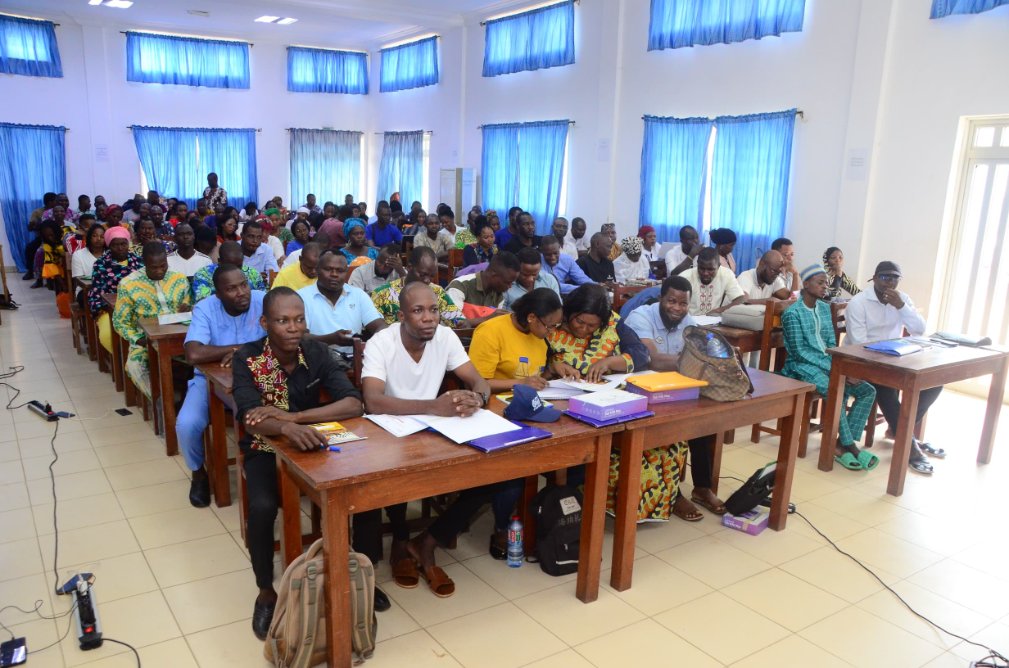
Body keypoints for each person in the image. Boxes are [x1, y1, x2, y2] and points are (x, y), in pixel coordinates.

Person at [232, 288, 372, 639]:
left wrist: (296, 418)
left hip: (312, 440)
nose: (293, 328)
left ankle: (353, 576)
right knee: (263, 507)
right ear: (265, 323)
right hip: (266, 446)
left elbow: (353, 404)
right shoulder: (247, 358)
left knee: (354, 491)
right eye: (282, 321)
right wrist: (283, 428)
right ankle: (265, 589)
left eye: (298, 320)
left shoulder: (316, 351)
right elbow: (250, 415)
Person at [359, 282, 492, 595]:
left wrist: (477, 398)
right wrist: (435, 406)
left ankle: (427, 541)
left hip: (433, 428)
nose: (429, 317)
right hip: (387, 429)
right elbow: (373, 401)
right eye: (418, 311)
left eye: (433, 310)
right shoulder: (382, 342)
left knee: (491, 473)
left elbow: (478, 380)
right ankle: (402, 538)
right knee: (396, 468)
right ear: (402, 315)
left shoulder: (445, 337)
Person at [623, 275, 726, 520]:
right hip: (640, 391)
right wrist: (694, 361)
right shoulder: (640, 317)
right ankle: (674, 493)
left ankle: (702, 487)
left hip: (674, 388)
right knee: (670, 432)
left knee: (704, 422)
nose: (677, 308)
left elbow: (703, 353)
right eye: (671, 301)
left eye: (683, 304)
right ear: (661, 298)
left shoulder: (688, 322)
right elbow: (652, 359)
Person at [176, 265, 265, 505]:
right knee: (187, 424)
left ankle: (264, 470)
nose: (242, 292)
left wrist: (243, 351)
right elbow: (193, 354)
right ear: (218, 294)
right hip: (208, 380)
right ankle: (198, 473)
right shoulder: (205, 308)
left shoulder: (263, 300)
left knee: (260, 410)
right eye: (232, 289)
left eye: (244, 284)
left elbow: (286, 335)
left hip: (260, 377)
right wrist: (236, 349)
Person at [844, 261, 942, 474]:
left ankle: (899, 430)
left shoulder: (902, 299)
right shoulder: (859, 302)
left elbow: (920, 330)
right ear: (875, 278)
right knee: (886, 389)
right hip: (862, 361)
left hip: (894, 358)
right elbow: (857, 343)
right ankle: (910, 445)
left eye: (895, 277)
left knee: (934, 384)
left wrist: (902, 307)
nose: (890, 282)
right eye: (885, 277)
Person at [781, 265, 878, 471]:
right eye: (820, 282)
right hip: (800, 367)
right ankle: (851, 446)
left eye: (826, 282)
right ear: (806, 285)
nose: (826, 286)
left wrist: (842, 367)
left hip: (827, 363)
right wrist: (836, 369)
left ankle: (841, 444)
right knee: (836, 389)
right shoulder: (792, 314)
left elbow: (831, 345)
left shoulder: (825, 309)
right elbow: (800, 352)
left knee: (868, 391)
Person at [112, 242, 192, 397]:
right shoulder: (128, 284)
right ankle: (160, 401)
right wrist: (139, 339)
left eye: (163, 266)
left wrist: (188, 307)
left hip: (180, 338)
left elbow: (190, 307)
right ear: (144, 263)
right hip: (146, 340)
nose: (159, 271)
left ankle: (192, 399)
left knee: (202, 358)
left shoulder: (179, 279)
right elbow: (120, 322)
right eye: (153, 267)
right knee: (134, 366)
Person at [548, 283, 649, 382]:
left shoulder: (612, 323)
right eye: (579, 321)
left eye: (592, 326)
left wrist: (609, 362)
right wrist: (553, 367)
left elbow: (641, 355)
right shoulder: (552, 324)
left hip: (607, 393)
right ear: (569, 312)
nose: (583, 329)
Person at [299, 251, 387, 355]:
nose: (334, 274)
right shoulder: (301, 297)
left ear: (346, 272)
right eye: (328, 269)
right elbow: (300, 337)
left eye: (340, 271)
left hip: (353, 360)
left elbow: (380, 327)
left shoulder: (358, 295)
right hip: (315, 361)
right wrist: (331, 339)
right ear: (317, 269)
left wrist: (371, 344)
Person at [371, 246, 465, 327]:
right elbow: (373, 326)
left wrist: (460, 322)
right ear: (409, 267)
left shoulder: (437, 292)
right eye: (422, 275)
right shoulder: (383, 293)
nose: (427, 281)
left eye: (431, 276)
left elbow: (456, 319)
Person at [88, 226, 143, 353]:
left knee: (144, 331)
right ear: (109, 246)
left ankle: (137, 358)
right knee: (107, 335)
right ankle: (120, 360)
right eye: (115, 245)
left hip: (137, 306)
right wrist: (111, 308)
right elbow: (96, 291)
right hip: (108, 308)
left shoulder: (139, 262)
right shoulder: (100, 264)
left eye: (123, 244)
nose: (120, 248)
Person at [193, 241, 267, 302]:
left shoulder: (253, 274)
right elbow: (203, 303)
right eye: (229, 266)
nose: (234, 270)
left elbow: (263, 300)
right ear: (220, 262)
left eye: (238, 266)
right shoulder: (203, 275)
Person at [680, 248, 746, 315]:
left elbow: (740, 299)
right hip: (689, 320)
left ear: (719, 266)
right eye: (702, 268)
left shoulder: (726, 274)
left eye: (710, 269)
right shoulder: (685, 277)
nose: (705, 273)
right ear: (697, 264)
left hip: (713, 321)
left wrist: (719, 310)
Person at [446, 251, 519, 309]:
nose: (510, 287)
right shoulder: (460, 285)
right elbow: (452, 321)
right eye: (507, 282)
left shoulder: (498, 294)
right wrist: (488, 318)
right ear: (493, 274)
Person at [25, 192, 57, 281]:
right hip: (43, 237)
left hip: (57, 237)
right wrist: (37, 226)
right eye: (56, 201)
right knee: (30, 248)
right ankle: (30, 271)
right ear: (50, 202)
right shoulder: (38, 212)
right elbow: (31, 228)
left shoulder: (60, 211)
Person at [71, 224, 105, 305]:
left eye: (102, 236)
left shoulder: (110, 253)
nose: (98, 239)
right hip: (86, 290)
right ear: (89, 237)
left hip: (107, 288)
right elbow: (79, 279)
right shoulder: (78, 255)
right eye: (94, 236)